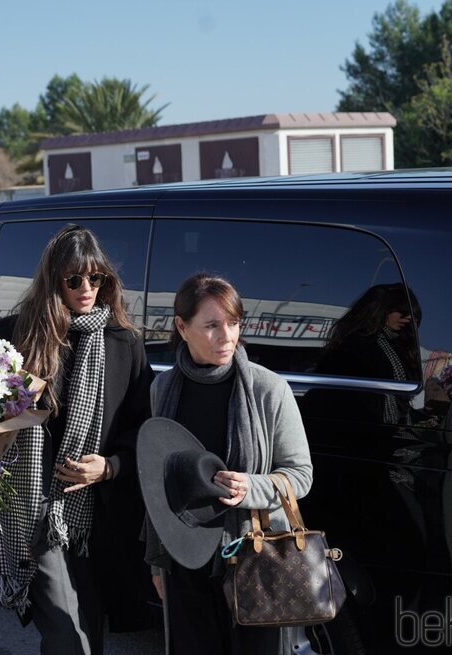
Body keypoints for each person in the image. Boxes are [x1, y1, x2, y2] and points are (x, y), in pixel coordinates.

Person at [0, 224, 154, 655]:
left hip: (95, 517)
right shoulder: (14, 334)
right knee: (67, 634)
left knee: (88, 631)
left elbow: (143, 427)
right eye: (74, 279)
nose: (87, 288)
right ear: (52, 280)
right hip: (31, 507)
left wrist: (110, 466)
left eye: (97, 279)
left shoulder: (123, 342)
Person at [145, 273, 313, 655]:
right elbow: (158, 484)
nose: (227, 336)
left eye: (234, 323)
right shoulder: (163, 389)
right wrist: (158, 565)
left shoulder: (267, 388)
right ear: (181, 327)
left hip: (254, 556)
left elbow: (300, 474)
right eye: (212, 325)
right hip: (183, 557)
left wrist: (249, 487)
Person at [315, 283, 423, 425]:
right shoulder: (357, 344)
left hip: (385, 430)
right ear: (382, 309)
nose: (408, 318)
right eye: (402, 311)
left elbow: (401, 403)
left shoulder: (398, 348)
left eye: (413, 316)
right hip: (357, 429)